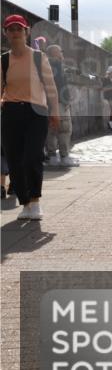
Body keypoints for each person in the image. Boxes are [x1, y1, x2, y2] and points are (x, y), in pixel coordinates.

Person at [1, 14, 61, 220]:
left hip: (36, 112)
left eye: (19, 29)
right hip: (11, 113)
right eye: (11, 29)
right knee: (14, 159)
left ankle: (35, 201)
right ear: (5, 33)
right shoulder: (4, 60)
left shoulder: (38, 57)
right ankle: (25, 202)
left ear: (26, 32)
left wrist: (55, 111)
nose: (16, 33)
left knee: (32, 156)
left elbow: (50, 86)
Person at [44, 44, 78, 167]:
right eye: (61, 52)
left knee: (50, 130)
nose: (62, 54)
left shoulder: (44, 65)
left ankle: (52, 156)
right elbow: (59, 84)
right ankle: (64, 156)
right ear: (54, 53)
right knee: (64, 129)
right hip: (58, 103)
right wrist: (66, 100)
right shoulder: (56, 64)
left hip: (46, 103)